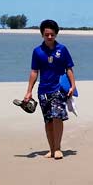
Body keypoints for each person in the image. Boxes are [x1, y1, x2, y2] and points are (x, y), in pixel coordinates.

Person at [22, 19, 77, 160]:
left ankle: (58, 148)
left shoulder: (62, 49)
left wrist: (73, 85)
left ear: (56, 34)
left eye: (52, 34)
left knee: (57, 117)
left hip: (58, 88)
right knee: (48, 120)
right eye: (47, 34)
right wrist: (29, 91)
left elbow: (69, 68)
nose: (49, 37)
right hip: (43, 91)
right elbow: (34, 71)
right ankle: (51, 149)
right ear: (42, 34)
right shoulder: (37, 51)